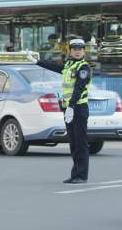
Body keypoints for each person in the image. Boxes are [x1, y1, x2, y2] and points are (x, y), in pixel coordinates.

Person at [28, 38, 92, 184]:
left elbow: (79, 88)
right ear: (70, 50)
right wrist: (37, 62)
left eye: (80, 49)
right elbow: (55, 67)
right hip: (69, 109)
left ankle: (82, 175)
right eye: (74, 49)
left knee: (81, 142)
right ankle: (75, 174)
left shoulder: (84, 67)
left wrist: (72, 107)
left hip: (79, 109)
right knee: (73, 142)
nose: (77, 51)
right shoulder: (70, 65)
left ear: (84, 51)